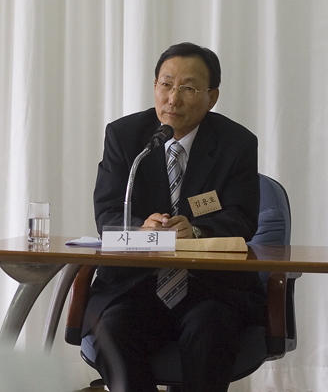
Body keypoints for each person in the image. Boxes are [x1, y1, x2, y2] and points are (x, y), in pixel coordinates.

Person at [82, 42, 265, 392]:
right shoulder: (125, 137)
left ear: (211, 97)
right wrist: (141, 228)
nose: (173, 99)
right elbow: (107, 213)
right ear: (155, 86)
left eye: (188, 89)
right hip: (136, 286)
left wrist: (197, 230)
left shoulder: (236, 143)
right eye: (166, 85)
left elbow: (243, 217)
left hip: (210, 289)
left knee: (208, 330)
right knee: (114, 331)